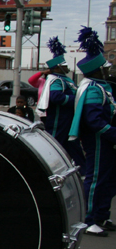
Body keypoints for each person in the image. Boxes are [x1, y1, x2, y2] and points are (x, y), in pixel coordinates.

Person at [69, 27, 116, 238]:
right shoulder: (93, 88)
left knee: (109, 179)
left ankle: (101, 215)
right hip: (98, 140)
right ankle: (88, 220)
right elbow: (94, 121)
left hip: (106, 140)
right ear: (97, 70)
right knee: (96, 179)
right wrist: (113, 133)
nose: (108, 71)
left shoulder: (101, 86)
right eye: (104, 68)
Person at [35, 37, 84, 167]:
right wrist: (76, 100)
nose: (67, 67)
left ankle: (82, 169)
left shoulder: (64, 79)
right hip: (59, 120)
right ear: (57, 68)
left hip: (68, 120)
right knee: (55, 147)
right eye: (64, 65)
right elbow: (56, 97)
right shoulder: (56, 80)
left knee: (72, 145)